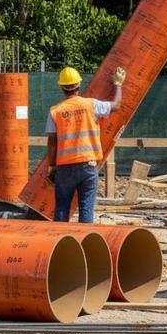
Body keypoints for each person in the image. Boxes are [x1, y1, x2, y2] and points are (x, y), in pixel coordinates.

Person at [44, 66, 126, 223]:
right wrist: (118, 84)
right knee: (86, 209)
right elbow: (116, 105)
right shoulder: (91, 105)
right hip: (88, 165)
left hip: (65, 168)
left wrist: (52, 165)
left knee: (61, 208)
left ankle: (61, 244)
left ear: (62, 87)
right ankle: (85, 243)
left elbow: (52, 141)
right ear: (78, 86)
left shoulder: (55, 111)